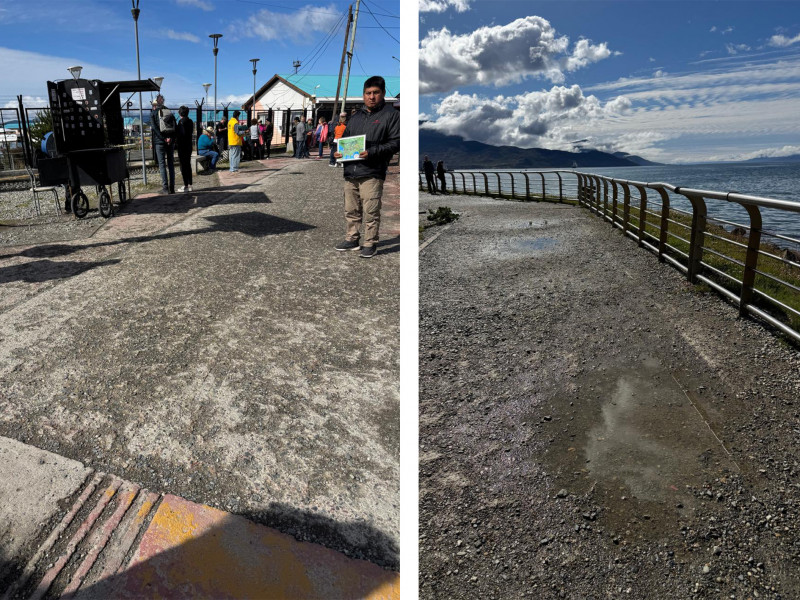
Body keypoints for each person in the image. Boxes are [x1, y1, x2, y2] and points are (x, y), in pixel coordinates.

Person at [334, 75, 400, 258]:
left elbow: (396, 143)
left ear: (383, 93)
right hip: (351, 171)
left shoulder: (391, 115)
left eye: (375, 93)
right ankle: (352, 238)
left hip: (372, 171)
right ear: (363, 95)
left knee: (371, 210)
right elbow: (344, 140)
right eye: (368, 93)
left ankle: (370, 242)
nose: (371, 97)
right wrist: (338, 152)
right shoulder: (356, 117)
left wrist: (371, 152)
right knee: (351, 209)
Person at [150, 95, 175, 194]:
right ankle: (172, 187)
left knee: (162, 165)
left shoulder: (153, 114)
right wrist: (170, 138)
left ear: (155, 104)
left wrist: (163, 139)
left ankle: (165, 188)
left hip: (160, 142)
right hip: (170, 141)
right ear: (163, 102)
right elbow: (174, 126)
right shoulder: (169, 112)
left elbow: (155, 129)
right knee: (171, 164)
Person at [175, 105, 194, 192]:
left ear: (180, 113)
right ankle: (190, 184)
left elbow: (180, 135)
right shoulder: (190, 122)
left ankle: (186, 185)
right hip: (189, 145)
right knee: (188, 164)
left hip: (182, 146)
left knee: (183, 166)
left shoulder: (181, 122)